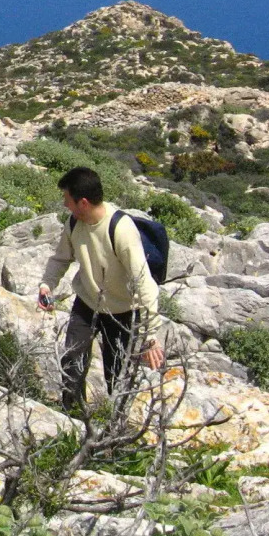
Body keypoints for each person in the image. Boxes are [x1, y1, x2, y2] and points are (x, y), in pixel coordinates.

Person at [37, 166, 164, 411]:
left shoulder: (121, 229)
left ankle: (116, 427)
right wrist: (46, 284)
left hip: (122, 311)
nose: (65, 205)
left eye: (67, 199)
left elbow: (144, 283)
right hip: (86, 302)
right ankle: (71, 416)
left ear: (82, 202)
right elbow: (61, 258)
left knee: (116, 375)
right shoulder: (74, 223)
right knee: (72, 361)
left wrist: (150, 336)